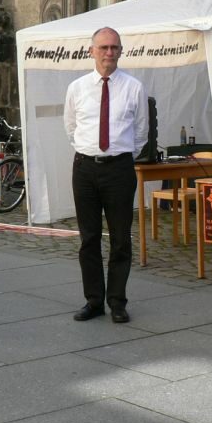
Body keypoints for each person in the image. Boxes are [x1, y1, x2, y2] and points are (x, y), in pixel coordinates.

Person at [64, 27, 149, 324]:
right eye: (103, 47)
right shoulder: (77, 88)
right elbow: (71, 127)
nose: (109, 53)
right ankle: (93, 301)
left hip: (119, 169)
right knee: (89, 238)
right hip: (85, 168)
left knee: (121, 238)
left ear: (121, 51)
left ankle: (117, 301)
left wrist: (119, 155)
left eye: (114, 47)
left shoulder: (134, 87)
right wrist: (90, 151)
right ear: (92, 51)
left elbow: (141, 132)